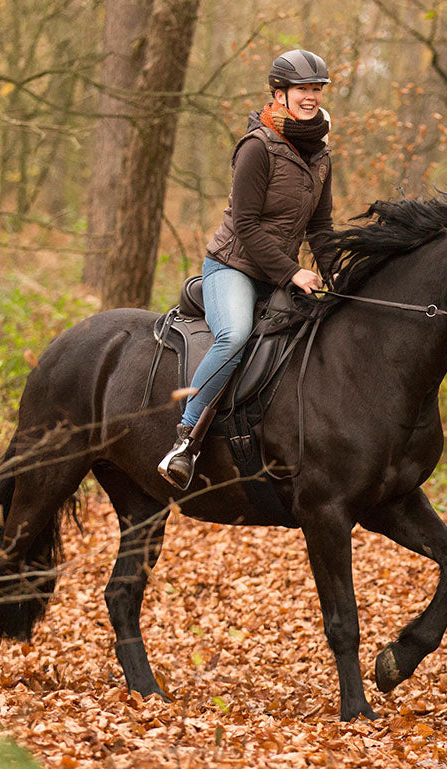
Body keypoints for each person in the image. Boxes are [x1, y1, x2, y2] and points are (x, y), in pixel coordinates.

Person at [158, 49, 337, 489]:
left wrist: (338, 275)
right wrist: (292, 273)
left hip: (276, 270)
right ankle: (185, 438)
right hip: (233, 266)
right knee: (234, 335)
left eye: (316, 90)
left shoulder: (320, 156)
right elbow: (246, 225)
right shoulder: (257, 147)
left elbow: (321, 226)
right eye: (302, 90)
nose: (310, 97)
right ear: (280, 94)